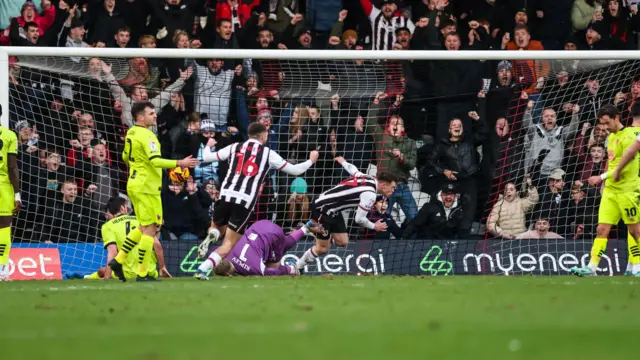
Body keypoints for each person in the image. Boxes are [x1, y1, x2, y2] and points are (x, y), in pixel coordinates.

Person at [195, 122, 319, 278]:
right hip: (244, 201)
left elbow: (206, 157)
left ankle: (213, 232)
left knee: (217, 227)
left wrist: (209, 145)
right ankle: (202, 269)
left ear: (249, 135)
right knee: (229, 243)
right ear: (263, 136)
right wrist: (311, 160)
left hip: (225, 195)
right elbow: (295, 170)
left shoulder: (234, 147)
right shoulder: (268, 153)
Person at [108, 101, 198, 282]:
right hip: (146, 187)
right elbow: (155, 161)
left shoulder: (131, 133)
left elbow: (125, 156)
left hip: (136, 184)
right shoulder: (147, 135)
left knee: (144, 226)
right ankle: (143, 273)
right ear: (140, 117)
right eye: (151, 113)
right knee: (150, 229)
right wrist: (179, 163)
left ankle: (118, 261)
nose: (155, 116)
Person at [295, 157, 397, 272]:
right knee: (322, 248)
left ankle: (313, 228)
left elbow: (353, 170)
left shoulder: (369, 178)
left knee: (342, 242)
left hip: (334, 210)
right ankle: (297, 268)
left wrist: (343, 162)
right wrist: (374, 226)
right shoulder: (370, 194)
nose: (393, 191)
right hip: (323, 208)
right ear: (384, 185)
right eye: (392, 187)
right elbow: (359, 219)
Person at [572, 104, 640, 276]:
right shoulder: (610, 138)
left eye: (606, 123)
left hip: (628, 191)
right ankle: (592, 268)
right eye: (601, 124)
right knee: (601, 229)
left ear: (616, 118)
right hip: (610, 191)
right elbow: (611, 163)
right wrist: (604, 184)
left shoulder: (631, 135)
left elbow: (624, 167)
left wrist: (600, 177)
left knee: (635, 231)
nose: (604, 128)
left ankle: (637, 267)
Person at [84, 197, 170, 280]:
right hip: (150, 272)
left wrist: (107, 276)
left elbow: (113, 252)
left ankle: (86, 278)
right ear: (122, 208)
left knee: (101, 270)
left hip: (127, 274)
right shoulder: (139, 221)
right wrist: (162, 267)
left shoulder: (108, 226)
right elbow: (157, 245)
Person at [202, 220, 312, 279]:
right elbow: (216, 252)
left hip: (273, 235)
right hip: (259, 225)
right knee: (282, 244)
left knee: (272, 267)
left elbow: (271, 273)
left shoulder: (251, 270)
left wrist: (289, 270)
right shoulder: (226, 254)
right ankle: (305, 228)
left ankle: (294, 269)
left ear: (228, 274)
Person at [0, 105, 21, 281]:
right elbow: (13, 167)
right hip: (3, 186)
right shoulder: (9, 136)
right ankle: (0, 269)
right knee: (4, 229)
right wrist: (17, 195)